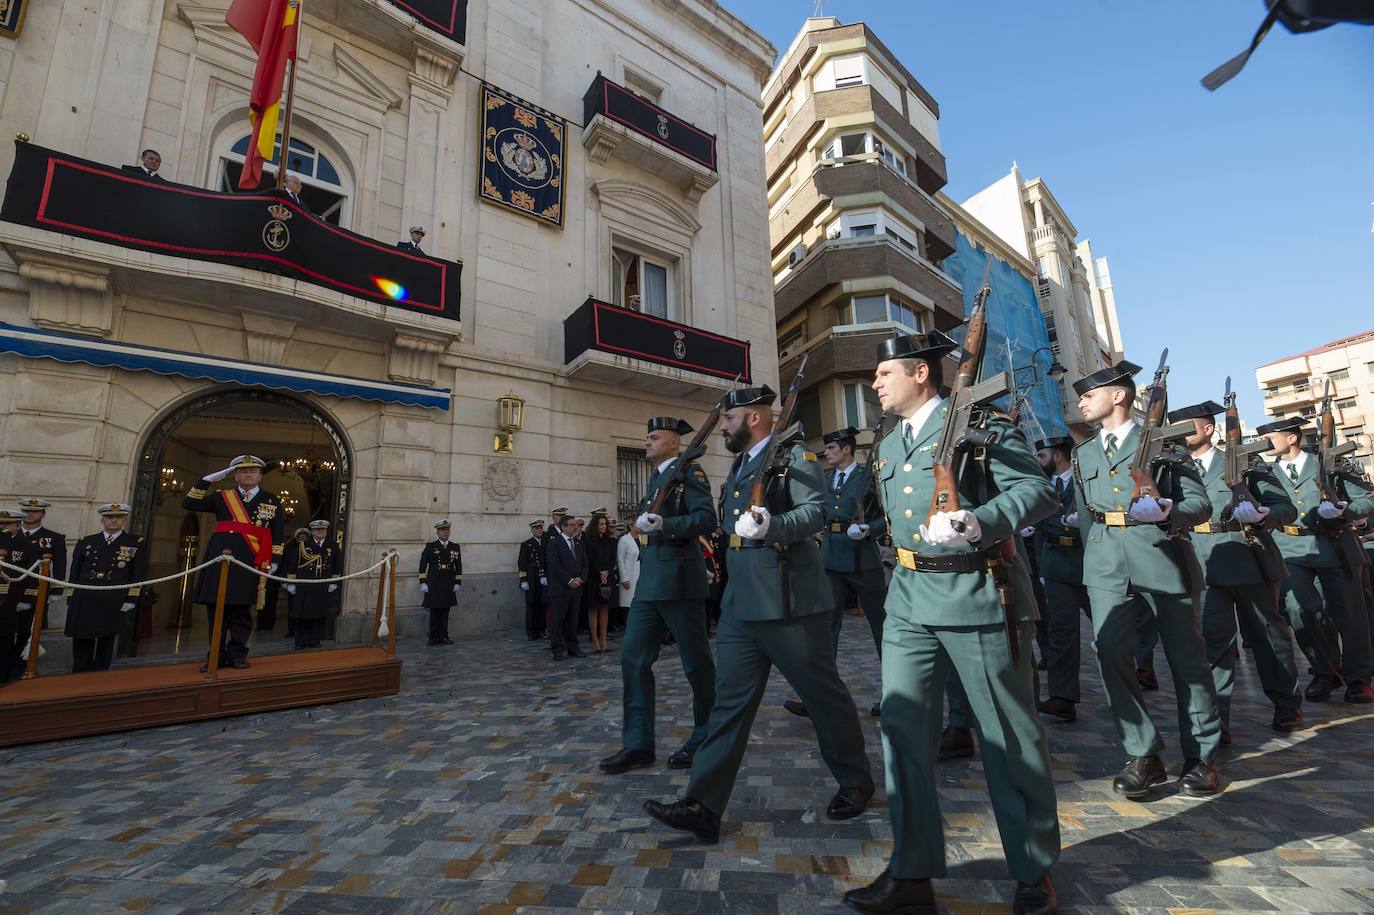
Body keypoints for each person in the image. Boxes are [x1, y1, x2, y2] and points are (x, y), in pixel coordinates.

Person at [843, 332, 1060, 915]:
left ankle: (1032, 870)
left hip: (978, 592)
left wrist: (979, 521)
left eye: (884, 372)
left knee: (1007, 737)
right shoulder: (890, 442)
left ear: (920, 373)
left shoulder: (980, 425)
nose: (874, 383)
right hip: (909, 599)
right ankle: (911, 871)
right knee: (903, 732)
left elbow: (1039, 491)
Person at [644, 387, 873, 844]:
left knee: (822, 698)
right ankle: (703, 804)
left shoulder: (794, 457)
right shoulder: (742, 464)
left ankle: (856, 780)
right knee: (728, 705)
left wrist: (774, 526)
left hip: (788, 602)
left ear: (753, 418)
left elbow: (816, 512)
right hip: (741, 604)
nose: (723, 427)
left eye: (729, 419)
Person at [1073, 361, 1223, 799]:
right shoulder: (1084, 453)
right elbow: (1086, 514)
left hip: (1161, 555)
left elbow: (1200, 503)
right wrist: (1091, 559)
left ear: (1119, 396)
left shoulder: (1163, 443)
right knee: (1109, 652)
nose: (1081, 403)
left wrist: (1168, 512)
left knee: (1187, 660)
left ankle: (1202, 757)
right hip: (1106, 560)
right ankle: (1142, 752)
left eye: (1089, 394)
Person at [1170, 402, 1303, 736]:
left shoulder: (1245, 462)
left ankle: (1286, 702)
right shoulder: (1172, 469)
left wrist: (1264, 516)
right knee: (1212, 641)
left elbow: (1285, 507)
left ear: (1208, 429)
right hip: (1200, 561)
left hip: (1247, 557)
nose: (1179, 434)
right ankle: (1218, 717)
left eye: (1186, 427)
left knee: (1267, 636)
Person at [600, 417, 717, 776]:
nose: (647, 441)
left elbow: (706, 519)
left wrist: (667, 524)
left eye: (654, 437)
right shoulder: (656, 479)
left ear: (674, 444)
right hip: (651, 580)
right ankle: (638, 743)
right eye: (647, 436)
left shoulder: (690, 474)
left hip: (680, 579)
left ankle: (707, 738)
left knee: (696, 664)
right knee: (632, 657)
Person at [1258, 415, 1374, 703]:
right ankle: (1325, 670)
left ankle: (1359, 678)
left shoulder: (1330, 463)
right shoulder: (1265, 473)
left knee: (1349, 614)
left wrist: (1345, 510)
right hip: (1290, 547)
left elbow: (1367, 499)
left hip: (1335, 545)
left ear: (1292, 438)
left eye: (1270, 437)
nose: (1264, 443)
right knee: (1298, 609)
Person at [786, 426, 888, 719]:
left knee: (882, 628)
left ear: (847, 449)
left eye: (831, 448)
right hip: (831, 559)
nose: (826, 452)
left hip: (862, 559)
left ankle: (893, 693)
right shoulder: (826, 478)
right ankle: (817, 697)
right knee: (825, 628)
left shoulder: (869, 476)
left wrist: (870, 529)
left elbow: (887, 514)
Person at [183, 455, 284, 670]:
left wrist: (274, 561)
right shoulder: (221, 497)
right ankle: (216, 655)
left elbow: (277, 533)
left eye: (253, 471)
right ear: (235, 476)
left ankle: (237, 653)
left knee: (241, 610)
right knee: (216, 609)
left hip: (249, 559)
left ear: (260, 476)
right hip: (219, 557)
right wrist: (206, 480)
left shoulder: (271, 500)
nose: (248, 474)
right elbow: (189, 503)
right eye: (243, 471)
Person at [1033, 435, 1091, 723]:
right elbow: (1040, 529)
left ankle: (1128, 685)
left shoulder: (1084, 480)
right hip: (1056, 565)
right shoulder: (1043, 486)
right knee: (1061, 633)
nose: (1038, 461)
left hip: (1090, 562)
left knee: (1111, 632)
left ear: (1057, 456)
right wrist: (1042, 569)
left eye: (1042, 455)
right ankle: (1062, 697)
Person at [63, 503, 147, 673]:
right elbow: (75, 571)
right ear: (102, 519)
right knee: (82, 638)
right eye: (109, 517)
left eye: (118, 517)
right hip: (86, 595)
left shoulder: (134, 543)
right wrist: (71, 595)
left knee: (106, 640)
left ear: (124, 520)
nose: (114, 520)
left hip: (113, 597)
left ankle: (100, 676)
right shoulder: (86, 542)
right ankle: (79, 675)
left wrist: (131, 598)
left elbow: (138, 574)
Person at [8, 498, 66, 680]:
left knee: (28, 632)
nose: (30, 514)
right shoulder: (9, 535)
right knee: (5, 631)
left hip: (36, 592)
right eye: (26, 510)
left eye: (35, 511)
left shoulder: (54, 538)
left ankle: (21, 671)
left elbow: (60, 567)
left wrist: (56, 591)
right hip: (8, 591)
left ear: (43, 514)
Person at [283, 520, 341, 650]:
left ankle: (314, 641)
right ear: (312, 531)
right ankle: (300, 642)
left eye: (323, 529)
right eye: (317, 530)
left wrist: (334, 582)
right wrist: (291, 583)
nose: (320, 532)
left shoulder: (333, 546)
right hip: (304, 585)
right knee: (301, 615)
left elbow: (337, 565)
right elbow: (293, 564)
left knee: (319, 615)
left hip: (322, 585)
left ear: (326, 531)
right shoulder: (303, 545)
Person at [545, 514, 588, 660]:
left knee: (573, 620)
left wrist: (581, 578)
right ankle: (557, 648)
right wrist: (569, 580)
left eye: (576, 524)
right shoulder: (554, 543)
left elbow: (585, 563)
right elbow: (554, 565)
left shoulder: (578, 543)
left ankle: (573, 647)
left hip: (576, 588)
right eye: (572, 525)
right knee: (557, 621)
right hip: (561, 589)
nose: (576, 527)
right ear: (563, 527)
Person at [0, 509, 35, 683]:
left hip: (11, 600)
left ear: (18, 525)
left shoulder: (26, 545)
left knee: (5, 639)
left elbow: (33, 575)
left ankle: (4, 676)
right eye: (1, 523)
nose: (3, 527)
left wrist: (27, 599)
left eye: (7, 523)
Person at [418, 520, 461, 647]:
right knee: (434, 612)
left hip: (448, 583)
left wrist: (458, 582)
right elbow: (422, 566)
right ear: (437, 532)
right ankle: (433, 637)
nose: (445, 532)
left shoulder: (455, 547)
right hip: (434, 583)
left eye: (447, 529)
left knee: (445, 612)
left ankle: (444, 636)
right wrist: (423, 582)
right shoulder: (430, 546)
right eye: (442, 530)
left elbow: (458, 566)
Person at [585, 515, 617, 653]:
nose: (604, 526)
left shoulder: (610, 541)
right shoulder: (589, 541)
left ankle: (603, 639)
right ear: (595, 526)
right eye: (601, 524)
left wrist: (607, 572)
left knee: (605, 609)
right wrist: (599, 572)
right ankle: (595, 640)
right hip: (593, 578)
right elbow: (589, 559)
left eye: (605, 524)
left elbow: (613, 559)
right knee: (593, 609)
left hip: (608, 578)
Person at [518, 520, 548, 641]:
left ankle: (541, 630)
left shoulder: (546, 543)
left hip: (543, 578)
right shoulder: (526, 544)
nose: (539, 530)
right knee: (531, 605)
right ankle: (531, 632)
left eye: (541, 528)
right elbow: (521, 563)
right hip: (531, 578)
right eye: (536, 528)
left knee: (542, 605)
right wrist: (523, 579)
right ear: (532, 530)